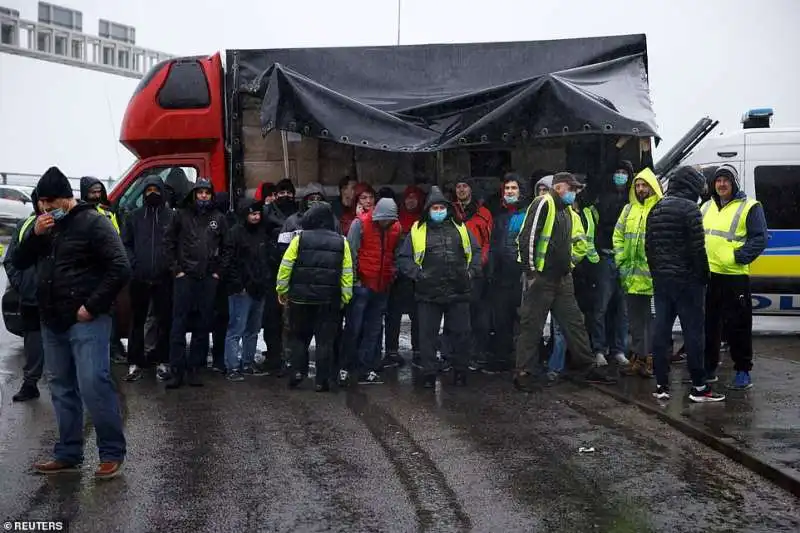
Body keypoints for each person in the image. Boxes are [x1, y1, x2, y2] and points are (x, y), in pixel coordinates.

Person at [13, 166, 130, 479]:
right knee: (61, 387)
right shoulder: (41, 227)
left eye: (52, 203)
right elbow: (20, 261)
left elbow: (120, 267)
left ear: (68, 199)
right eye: (42, 203)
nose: (46, 209)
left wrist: (91, 307)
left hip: (86, 318)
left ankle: (111, 453)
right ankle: (68, 452)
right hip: (52, 319)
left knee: (94, 383)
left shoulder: (93, 222)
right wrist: (35, 236)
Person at [513, 172, 616, 391]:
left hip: (561, 277)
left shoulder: (567, 211)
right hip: (541, 277)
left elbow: (573, 243)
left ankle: (587, 365)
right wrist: (531, 272)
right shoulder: (544, 203)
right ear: (559, 187)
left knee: (574, 322)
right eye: (572, 188)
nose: (574, 193)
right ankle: (524, 373)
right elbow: (528, 237)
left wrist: (569, 266)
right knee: (532, 326)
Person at [645, 166, 723, 402]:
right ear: (691, 185)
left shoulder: (656, 208)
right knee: (693, 334)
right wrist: (703, 277)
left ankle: (661, 385)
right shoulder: (690, 209)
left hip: (662, 281)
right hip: (688, 283)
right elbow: (697, 250)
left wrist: (658, 273)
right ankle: (699, 387)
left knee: (661, 332)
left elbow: (649, 247)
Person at [397, 186, 482, 389]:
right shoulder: (417, 230)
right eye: (434, 208)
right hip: (428, 292)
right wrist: (418, 275)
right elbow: (404, 258)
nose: (438, 211)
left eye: (440, 207)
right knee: (427, 336)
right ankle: (429, 373)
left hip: (458, 290)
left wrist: (471, 273)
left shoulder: (461, 228)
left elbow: (476, 252)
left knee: (461, 334)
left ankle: (460, 370)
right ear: (428, 210)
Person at [701, 164, 768, 390]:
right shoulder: (706, 206)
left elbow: (760, 238)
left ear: (734, 183)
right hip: (710, 276)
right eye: (718, 180)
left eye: (726, 180)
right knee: (709, 325)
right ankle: (709, 368)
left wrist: (738, 256)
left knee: (738, 326)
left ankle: (742, 370)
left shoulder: (750, 207)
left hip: (734, 276)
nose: (721, 184)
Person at [276, 202, 354, 392]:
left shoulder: (299, 239)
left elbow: (286, 266)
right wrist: (345, 297)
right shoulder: (341, 241)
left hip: (300, 299)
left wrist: (282, 289)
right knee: (325, 341)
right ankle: (321, 380)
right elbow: (347, 273)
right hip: (329, 300)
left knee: (299, 337)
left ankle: (297, 372)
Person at [163, 179, 228, 389]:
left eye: (207, 193)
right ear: (193, 194)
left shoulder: (219, 218)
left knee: (203, 325)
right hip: (185, 278)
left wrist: (218, 273)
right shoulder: (180, 215)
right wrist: (177, 270)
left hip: (207, 279)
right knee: (178, 325)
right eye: (199, 192)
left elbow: (227, 248)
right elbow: (168, 243)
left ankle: (195, 369)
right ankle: (176, 371)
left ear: (211, 195)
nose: (203, 196)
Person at [342, 197, 402, 385]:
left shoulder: (395, 228)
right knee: (354, 327)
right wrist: (354, 280)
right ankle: (345, 366)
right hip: (362, 284)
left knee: (373, 330)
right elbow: (351, 253)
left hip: (381, 284)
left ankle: (364, 367)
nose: (385, 223)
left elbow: (396, 254)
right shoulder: (360, 224)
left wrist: (392, 274)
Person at [121, 177, 175, 382]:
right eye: (148, 189)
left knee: (164, 320)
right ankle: (135, 361)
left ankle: (162, 361)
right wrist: (134, 264)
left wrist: (171, 266)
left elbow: (177, 244)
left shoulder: (171, 217)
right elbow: (125, 243)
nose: (152, 193)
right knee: (137, 320)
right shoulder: (133, 217)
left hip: (164, 278)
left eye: (156, 189)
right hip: (140, 277)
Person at [613, 168, 663, 378]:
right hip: (631, 277)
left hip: (653, 280)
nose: (641, 189)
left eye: (645, 185)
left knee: (653, 322)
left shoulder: (660, 209)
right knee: (634, 321)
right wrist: (622, 262)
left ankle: (652, 359)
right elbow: (618, 236)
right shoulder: (628, 210)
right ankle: (639, 359)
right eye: (638, 186)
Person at [586, 161, 633, 367]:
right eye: (617, 172)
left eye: (624, 173)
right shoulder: (601, 198)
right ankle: (599, 348)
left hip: (625, 258)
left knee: (622, 308)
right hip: (605, 256)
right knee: (601, 306)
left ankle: (619, 349)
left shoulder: (633, 199)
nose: (620, 176)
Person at [222, 199, 273, 381]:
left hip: (259, 287)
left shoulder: (262, 232)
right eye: (252, 214)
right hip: (241, 290)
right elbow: (229, 262)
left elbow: (266, 258)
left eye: (258, 214)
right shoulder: (235, 233)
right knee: (236, 329)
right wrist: (238, 285)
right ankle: (233, 367)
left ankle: (248, 362)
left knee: (253, 329)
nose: (255, 217)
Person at [5, 190, 44, 402]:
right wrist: (21, 284)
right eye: (41, 200)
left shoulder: (65, 225)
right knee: (33, 344)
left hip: (58, 300)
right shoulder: (24, 226)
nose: (45, 205)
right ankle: (30, 384)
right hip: (30, 298)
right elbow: (10, 260)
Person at [487, 174, 529, 373]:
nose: (510, 192)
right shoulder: (498, 216)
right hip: (500, 277)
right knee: (501, 320)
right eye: (507, 189)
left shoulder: (528, 214)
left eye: (514, 188)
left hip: (520, 275)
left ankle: (523, 360)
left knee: (522, 320)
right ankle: (503, 358)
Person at [452, 178, 493, 367]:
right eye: (458, 186)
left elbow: (487, 242)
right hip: (454, 271)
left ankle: (478, 353)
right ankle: (455, 354)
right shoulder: (450, 211)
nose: (461, 189)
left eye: (464, 186)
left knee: (478, 315)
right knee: (456, 316)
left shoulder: (483, 214)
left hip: (477, 272)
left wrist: (478, 264)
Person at [384, 185, 425, 365]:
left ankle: (418, 349)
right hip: (397, 275)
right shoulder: (396, 220)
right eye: (408, 197)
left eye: (414, 198)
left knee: (419, 314)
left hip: (417, 275)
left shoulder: (423, 222)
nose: (411, 201)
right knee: (393, 314)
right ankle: (391, 350)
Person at [261, 178, 298, 373]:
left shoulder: (300, 215)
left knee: (292, 321)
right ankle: (275, 357)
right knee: (272, 319)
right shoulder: (268, 214)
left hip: (295, 275)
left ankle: (290, 357)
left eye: (288, 192)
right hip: (273, 272)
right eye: (281, 192)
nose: (285, 196)